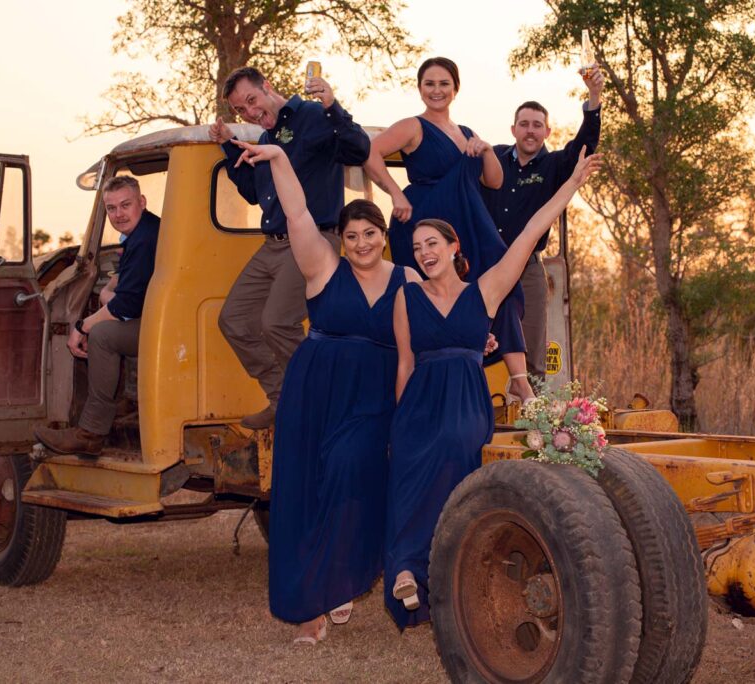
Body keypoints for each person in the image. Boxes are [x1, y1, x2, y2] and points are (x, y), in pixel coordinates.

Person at [384, 149, 603, 630]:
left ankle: (448, 580)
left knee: (456, 471)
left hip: (465, 401)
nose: (423, 252)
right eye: (416, 246)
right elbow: (403, 363)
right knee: (409, 479)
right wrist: (396, 424)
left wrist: (571, 186)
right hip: (419, 403)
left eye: (431, 243)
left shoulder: (484, 291)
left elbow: (528, 235)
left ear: (452, 245)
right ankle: (405, 569)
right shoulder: (406, 296)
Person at [230, 140, 420, 645]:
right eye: (353, 235)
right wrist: (278, 158)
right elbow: (296, 212)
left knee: (350, 470)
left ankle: (341, 577)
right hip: (314, 392)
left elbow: (445, 313)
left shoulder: (408, 279)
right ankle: (314, 605)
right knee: (307, 493)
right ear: (343, 239)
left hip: (374, 397)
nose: (361, 243)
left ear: (385, 235)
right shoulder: (322, 267)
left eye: (370, 234)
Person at [363, 57, 535, 404]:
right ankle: (433, 381)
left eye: (444, 84)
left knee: (501, 287)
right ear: (420, 88)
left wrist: (485, 148)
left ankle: (518, 379)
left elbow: (495, 180)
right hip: (427, 219)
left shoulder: (469, 133)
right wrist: (395, 193)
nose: (437, 90)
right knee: (432, 303)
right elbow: (370, 153)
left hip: (468, 222)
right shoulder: (413, 126)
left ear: (455, 89)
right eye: (429, 83)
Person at [208, 66, 371, 429]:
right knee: (233, 320)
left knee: (276, 322)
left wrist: (331, 103)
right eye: (240, 110)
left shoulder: (311, 116)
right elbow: (253, 193)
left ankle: (321, 401)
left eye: (251, 100)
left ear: (267, 87)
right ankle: (283, 398)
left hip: (312, 240)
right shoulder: (267, 136)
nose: (249, 112)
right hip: (272, 244)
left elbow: (358, 148)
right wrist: (226, 142)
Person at [481, 69, 604, 379]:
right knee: (477, 341)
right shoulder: (493, 158)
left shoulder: (555, 165)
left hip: (528, 270)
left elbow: (585, 145)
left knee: (532, 347)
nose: (530, 131)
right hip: (486, 265)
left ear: (548, 131)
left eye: (537, 125)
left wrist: (594, 97)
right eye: (524, 124)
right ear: (513, 129)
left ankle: (531, 416)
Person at [35, 176, 160, 456]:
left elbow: (126, 307)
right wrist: (109, 292)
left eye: (126, 205)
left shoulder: (144, 239)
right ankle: (125, 403)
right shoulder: (143, 231)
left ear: (141, 202)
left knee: (102, 335)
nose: (118, 214)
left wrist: (82, 326)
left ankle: (91, 432)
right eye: (112, 208)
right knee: (107, 320)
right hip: (156, 316)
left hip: (165, 326)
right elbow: (127, 288)